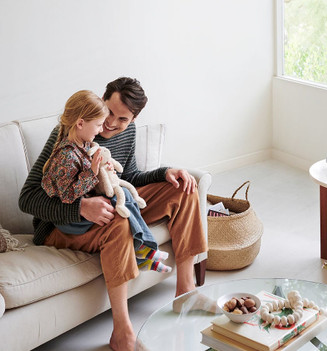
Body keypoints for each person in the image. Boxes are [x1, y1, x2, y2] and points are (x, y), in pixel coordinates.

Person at [19, 78, 210, 351]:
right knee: (118, 219)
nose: (110, 124)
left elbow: (128, 177)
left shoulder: (127, 132)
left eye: (122, 119)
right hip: (60, 224)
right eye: (109, 113)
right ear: (102, 101)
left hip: (111, 200)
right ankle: (122, 333)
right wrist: (81, 207)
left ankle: (186, 293)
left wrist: (164, 173)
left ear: (132, 120)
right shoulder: (70, 131)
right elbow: (27, 198)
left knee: (185, 188)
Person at [41, 90, 171, 274]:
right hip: (68, 220)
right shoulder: (66, 156)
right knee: (120, 210)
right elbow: (68, 195)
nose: (102, 129)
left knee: (124, 196)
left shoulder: (83, 144)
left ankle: (142, 253)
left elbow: (118, 174)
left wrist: (104, 168)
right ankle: (144, 247)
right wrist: (93, 173)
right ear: (80, 123)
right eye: (99, 124)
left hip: (79, 212)